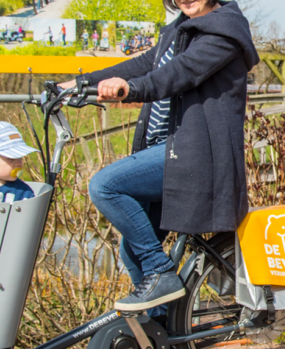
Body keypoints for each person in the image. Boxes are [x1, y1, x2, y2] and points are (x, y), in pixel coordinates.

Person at [57, 0, 258, 315]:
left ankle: (161, 272)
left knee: (105, 186)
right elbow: (140, 65)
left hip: (197, 157)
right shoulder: (180, 29)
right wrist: (78, 84)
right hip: (169, 152)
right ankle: (164, 330)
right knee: (132, 251)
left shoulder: (224, 32)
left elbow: (178, 74)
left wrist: (130, 90)